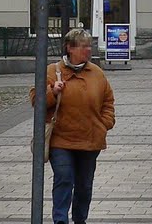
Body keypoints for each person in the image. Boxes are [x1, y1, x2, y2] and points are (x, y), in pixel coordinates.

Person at [30, 28, 115, 224]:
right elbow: (36, 100)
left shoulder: (97, 73)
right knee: (64, 178)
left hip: (90, 139)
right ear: (70, 48)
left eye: (89, 46)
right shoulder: (52, 71)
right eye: (83, 46)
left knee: (84, 185)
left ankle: (79, 220)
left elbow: (108, 101)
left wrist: (104, 123)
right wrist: (52, 90)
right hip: (61, 140)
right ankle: (60, 220)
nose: (88, 50)